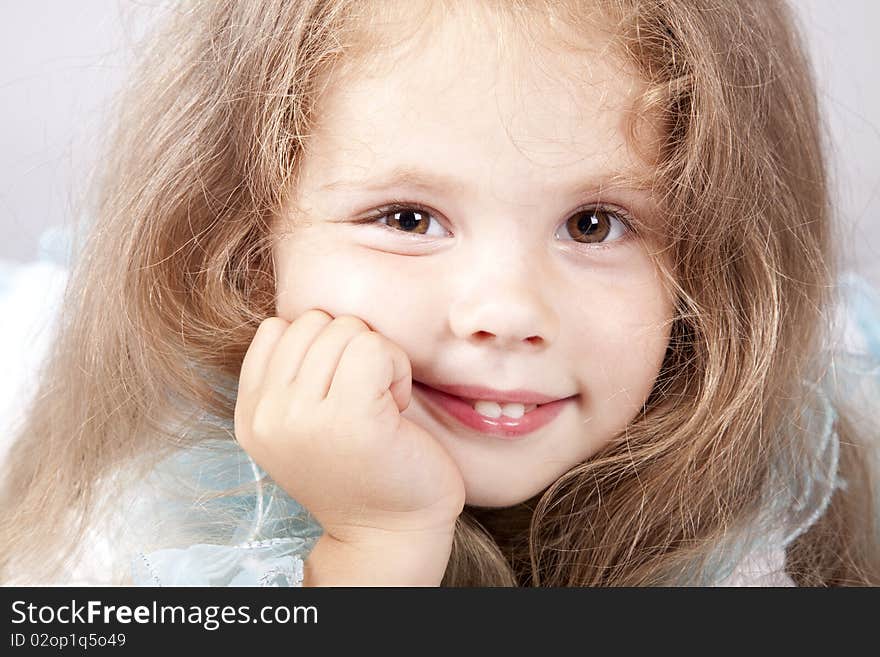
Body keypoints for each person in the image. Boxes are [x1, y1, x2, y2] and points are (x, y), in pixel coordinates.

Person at [1, 0, 878, 587]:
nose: (504, 312)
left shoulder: (778, 501)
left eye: (594, 224)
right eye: (409, 218)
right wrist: (376, 542)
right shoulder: (163, 516)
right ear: (242, 239)